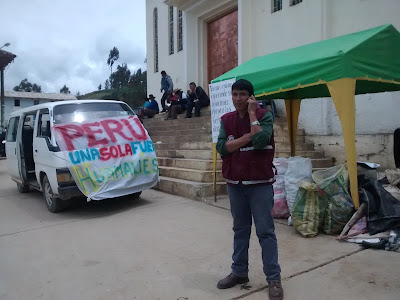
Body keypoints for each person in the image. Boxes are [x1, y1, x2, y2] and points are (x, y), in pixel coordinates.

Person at [216, 79, 283, 300]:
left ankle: (274, 279)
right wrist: (246, 138)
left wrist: (253, 115)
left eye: (243, 94)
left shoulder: (265, 116)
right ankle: (239, 273)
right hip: (236, 185)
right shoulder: (226, 120)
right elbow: (221, 148)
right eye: (234, 94)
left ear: (251, 97)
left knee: (265, 232)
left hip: (260, 185)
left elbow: (262, 140)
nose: (238, 99)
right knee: (240, 230)